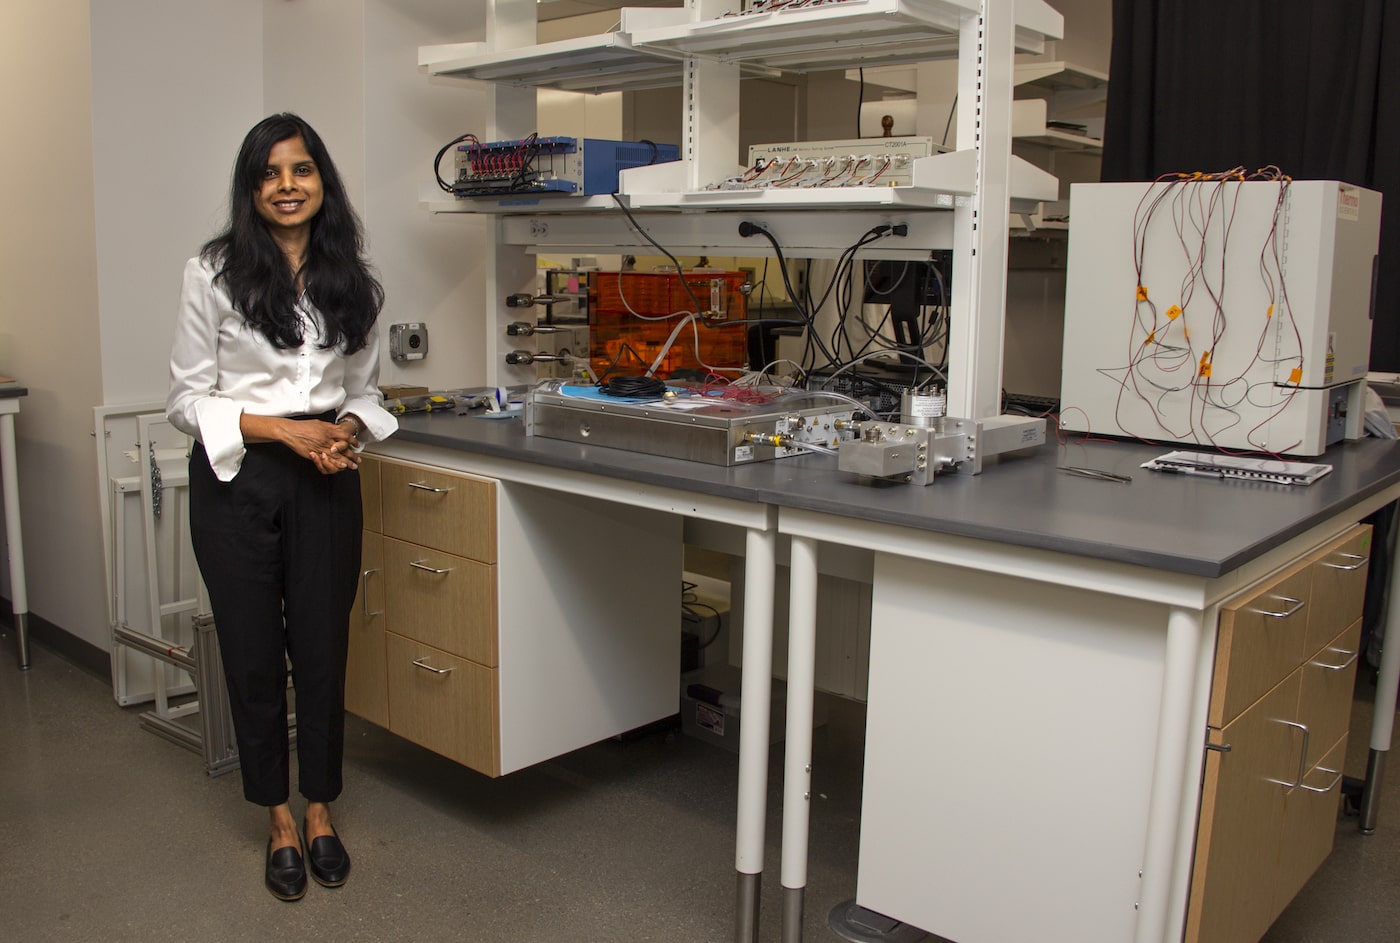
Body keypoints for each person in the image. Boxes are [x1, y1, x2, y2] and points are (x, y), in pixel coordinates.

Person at [166, 113, 397, 901]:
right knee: (255, 652)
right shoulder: (213, 272)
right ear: (251, 186)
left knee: (326, 648)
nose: (287, 186)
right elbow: (186, 399)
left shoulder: (355, 279)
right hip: (238, 479)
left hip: (326, 477)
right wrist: (284, 434)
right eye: (270, 173)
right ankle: (277, 817)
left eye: (301, 170)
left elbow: (365, 390)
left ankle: (322, 805)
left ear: (322, 181)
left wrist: (344, 430)